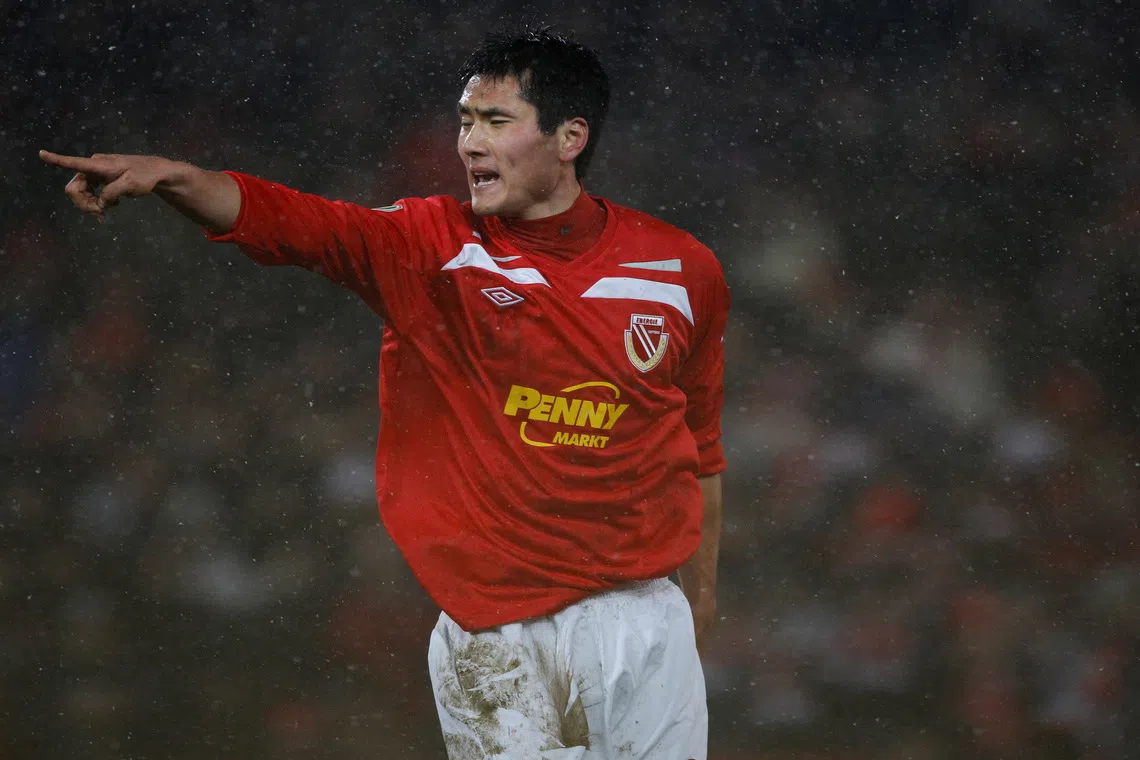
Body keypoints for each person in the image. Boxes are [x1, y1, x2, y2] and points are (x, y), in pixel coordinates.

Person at [41, 27, 729, 760]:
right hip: (491, 634)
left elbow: (700, 447)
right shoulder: (430, 245)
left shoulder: (681, 269)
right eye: (465, 120)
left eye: (496, 121)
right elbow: (294, 221)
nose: (469, 143)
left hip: (640, 615)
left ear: (569, 137)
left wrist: (701, 595)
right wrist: (176, 179)